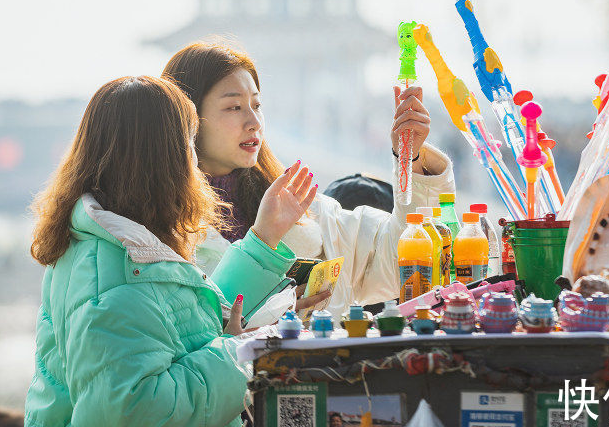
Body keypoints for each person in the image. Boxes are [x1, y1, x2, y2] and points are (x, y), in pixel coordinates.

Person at [24, 76, 317, 426]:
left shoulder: (116, 244)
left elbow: (182, 329)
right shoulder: (119, 273)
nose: (194, 162)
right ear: (164, 161)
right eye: (188, 145)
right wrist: (240, 355)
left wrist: (264, 236)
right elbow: (133, 410)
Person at [162, 41, 455, 316]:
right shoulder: (161, 232)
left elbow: (401, 262)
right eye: (234, 107)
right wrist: (272, 316)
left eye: (257, 105)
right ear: (189, 118)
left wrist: (410, 158)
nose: (254, 122)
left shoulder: (303, 208)